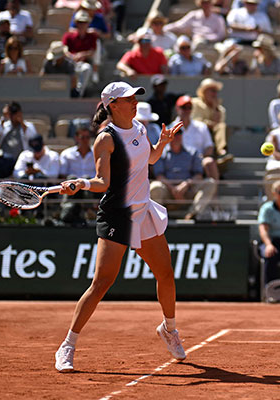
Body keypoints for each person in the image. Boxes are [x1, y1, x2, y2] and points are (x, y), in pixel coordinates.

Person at [54, 81, 186, 373]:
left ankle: (169, 329)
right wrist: (81, 183)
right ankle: (68, 345)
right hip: (117, 216)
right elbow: (103, 182)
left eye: (135, 97)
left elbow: (149, 158)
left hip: (144, 210)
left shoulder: (140, 127)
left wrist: (162, 143)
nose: (135, 102)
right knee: (101, 284)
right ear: (113, 105)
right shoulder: (106, 139)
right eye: (128, 99)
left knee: (165, 273)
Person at [151, 125, 217, 220]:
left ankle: (193, 214)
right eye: (174, 134)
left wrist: (186, 184)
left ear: (182, 136)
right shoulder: (161, 153)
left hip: (188, 190)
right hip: (168, 191)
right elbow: (159, 176)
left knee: (210, 183)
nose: (176, 137)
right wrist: (173, 189)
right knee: (155, 186)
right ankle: (158, 218)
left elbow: (198, 175)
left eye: (179, 134)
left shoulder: (193, 153)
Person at [172, 95, 220, 181]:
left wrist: (198, 159)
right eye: (184, 107)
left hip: (198, 161)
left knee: (210, 162)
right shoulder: (170, 128)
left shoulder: (201, 127)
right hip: (176, 161)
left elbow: (209, 146)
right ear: (177, 108)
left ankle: (214, 193)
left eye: (189, 107)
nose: (187, 110)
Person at [58, 122, 96, 225]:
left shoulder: (97, 153)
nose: (85, 140)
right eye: (82, 137)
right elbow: (62, 175)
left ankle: (88, 210)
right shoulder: (66, 154)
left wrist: (84, 182)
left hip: (91, 189)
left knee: (86, 179)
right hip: (73, 189)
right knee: (73, 178)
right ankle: (69, 210)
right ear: (76, 138)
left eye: (87, 137)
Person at [191, 78, 232, 163]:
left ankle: (221, 151)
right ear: (204, 91)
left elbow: (219, 124)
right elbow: (196, 121)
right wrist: (211, 124)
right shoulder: (195, 103)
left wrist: (215, 108)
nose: (215, 94)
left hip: (212, 134)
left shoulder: (220, 109)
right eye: (212, 91)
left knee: (223, 127)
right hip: (198, 133)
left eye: (216, 91)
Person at [62, 10, 98, 92]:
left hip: (83, 63)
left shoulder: (92, 36)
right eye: (79, 22)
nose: (82, 25)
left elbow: (92, 51)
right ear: (76, 23)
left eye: (84, 22)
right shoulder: (68, 36)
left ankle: (78, 92)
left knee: (86, 68)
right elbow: (64, 50)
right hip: (70, 62)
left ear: (88, 24)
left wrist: (82, 55)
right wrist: (72, 56)